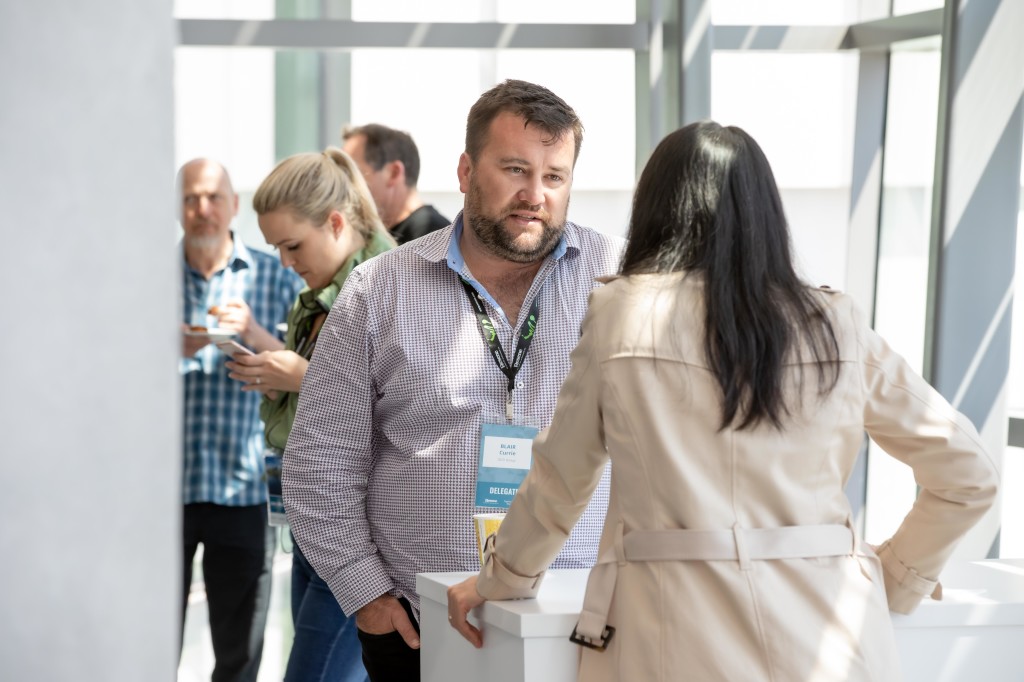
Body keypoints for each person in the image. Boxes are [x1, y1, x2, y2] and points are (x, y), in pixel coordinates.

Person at [446, 121, 1000, 682]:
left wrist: (502, 580)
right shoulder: (837, 324)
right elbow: (969, 474)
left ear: (655, 208)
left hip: (670, 639)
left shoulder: (621, 315)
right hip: (831, 641)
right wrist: (896, 579)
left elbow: (561, 482)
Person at [283, 79, 624, 681]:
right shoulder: (378, 291)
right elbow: (319, 462)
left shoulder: (619, 281)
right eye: (515, 169)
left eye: (554, 176)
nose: (535, 195)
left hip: (582, 625)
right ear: (466, 171)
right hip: (420, 626)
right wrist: (367, 597)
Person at [225, 147, 395, 682]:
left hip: (357, 538)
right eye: (276, 247)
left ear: (337, 222)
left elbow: (411, 415)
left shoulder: (390, 289)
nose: (285, 262)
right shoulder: (317, 295)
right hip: (312, 526)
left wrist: (302, 376)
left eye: (293, 245)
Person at [178, 159, 304, 682]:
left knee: (239, 656)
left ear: (233, 205)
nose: (202, 208)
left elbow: (309, 372)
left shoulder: (277, 274)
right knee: (145, 642)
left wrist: (252, 331)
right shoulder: (147, 279)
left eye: (213, 197)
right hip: (164, 489)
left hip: (245, 486)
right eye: (191, 198)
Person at [342, 123, 450, 244]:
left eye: (351, 172)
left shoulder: (433, 235)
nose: (343, 183)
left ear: (393, 173)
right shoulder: (379, 235)